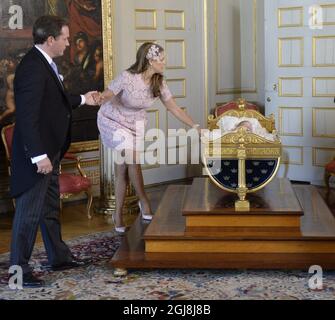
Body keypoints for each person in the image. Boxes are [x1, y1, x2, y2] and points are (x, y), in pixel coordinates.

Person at [9, 15, 99, 288]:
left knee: (49, 210)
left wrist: (84, 99)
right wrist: (39, 157)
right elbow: (27, 116)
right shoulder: (33, 69)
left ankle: (58, 257)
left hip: (51, 152)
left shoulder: (44, 64)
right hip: (38, 157)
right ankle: (18, 273)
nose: (69, 42)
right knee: (29, 215)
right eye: (65, 37)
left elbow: (55, 101)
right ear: (51, 40)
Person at [97, 42, 201, 233]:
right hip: (113, 119)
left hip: (135, 123)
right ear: (150, 60)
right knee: (132, 160)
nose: (164, 62)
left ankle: (117, 213)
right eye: (161, 59)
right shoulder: (127, 77)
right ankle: (144, 202)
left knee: (122, 170)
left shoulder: (159, 82)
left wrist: (194, 126)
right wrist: (97, 97)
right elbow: (108, 94)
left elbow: (174, 108)